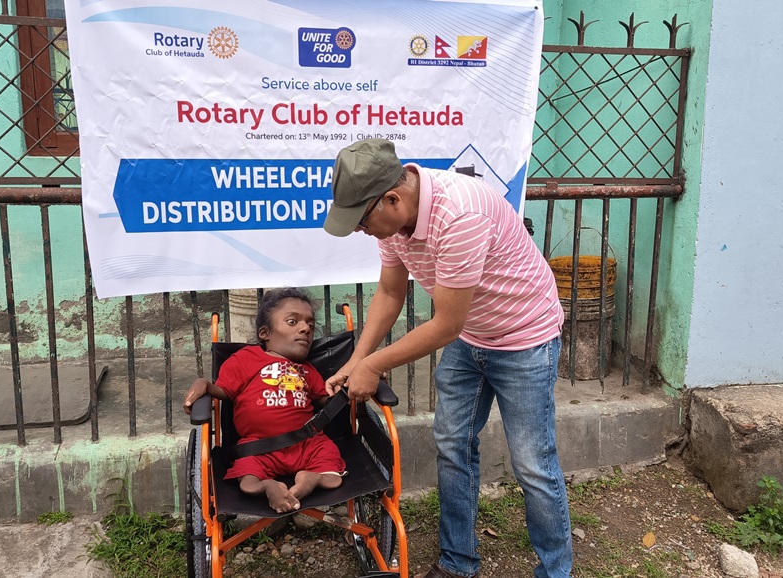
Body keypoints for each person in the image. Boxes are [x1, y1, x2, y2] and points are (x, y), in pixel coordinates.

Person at [322, 139, 572, 578]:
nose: (362, 231)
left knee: (533, 464)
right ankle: (458, 565)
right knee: (453, 447)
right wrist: (354, 361)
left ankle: (555, 571)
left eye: (362, 221)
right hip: (471, 336)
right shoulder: (395, 225)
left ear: (392, 199)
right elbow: (389, 293)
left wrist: (375, 365)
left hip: (524, 339)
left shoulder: (460, 214)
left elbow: (445, 326)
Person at [182, 287, 345, 513]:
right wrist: (205, 385)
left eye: (310, 325)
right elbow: (225, 391)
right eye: (292, 322)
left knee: (332, 469)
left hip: (307, 443)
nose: (306, 329)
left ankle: (312, 479)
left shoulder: (307, 370)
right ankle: (269, 486)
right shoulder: (245, 359)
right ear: (265, 333)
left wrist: (348, 386)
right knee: (248, 482)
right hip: (258, 446)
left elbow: (325, 402)